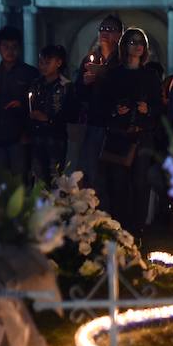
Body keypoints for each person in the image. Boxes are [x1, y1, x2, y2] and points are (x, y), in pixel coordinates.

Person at [101, 27, 162, 233]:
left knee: (140, 182)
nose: (137, 46)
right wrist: (115, 110)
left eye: (140, 43)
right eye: (132, 42)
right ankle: (119, 228)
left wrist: (148, 109)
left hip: (142, 134)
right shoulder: (114, 74)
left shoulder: (151, 75)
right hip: (119, 135)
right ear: (124, 46)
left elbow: (159, 107)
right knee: (118, 183)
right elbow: (101, 104)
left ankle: (137, 229)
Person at [75, 14, 123, 206]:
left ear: (120, 35)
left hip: (113, 125)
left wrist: (104, 76)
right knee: (89, 172)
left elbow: (122, 88)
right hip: (93, 123)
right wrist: (86, 83)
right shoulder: (90, 59)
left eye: (110, 29)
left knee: (110, 175)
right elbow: (79, 93)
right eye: (102, 28)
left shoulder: (121, 61)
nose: (105, 32)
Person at [0, 25, 38, 181]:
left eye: (14, 47)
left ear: (19, 48)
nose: (10, 51)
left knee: (19, 184)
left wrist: (22, 106)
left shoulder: (30, 74)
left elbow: (36, 105)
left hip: (19, 138)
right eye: (5, 46)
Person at [28, 45, 74, 183]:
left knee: (56, 177)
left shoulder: (66, 86)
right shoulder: (36, 84)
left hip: (56, 137)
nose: (43, 66)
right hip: (37, 136)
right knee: (38, 176)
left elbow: (69, 112)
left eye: (47, 63)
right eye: (41, 62)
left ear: (58, 63)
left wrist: (48, 119)